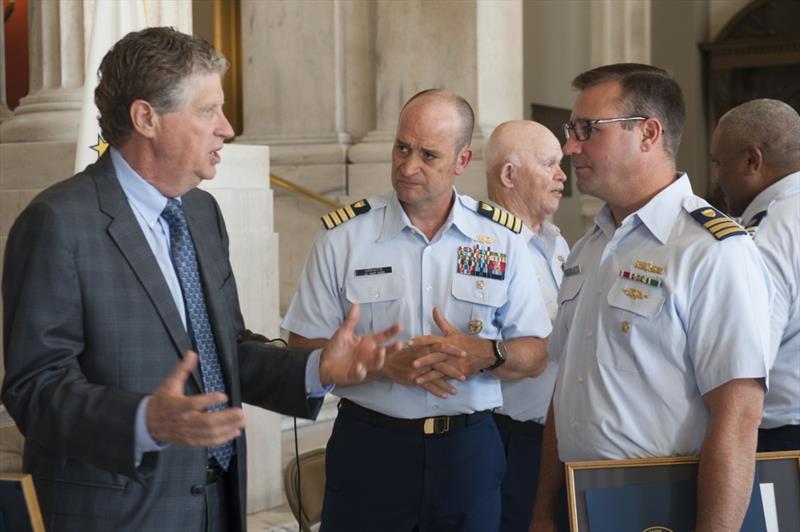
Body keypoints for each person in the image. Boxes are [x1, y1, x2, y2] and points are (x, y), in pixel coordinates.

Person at [1, 27, 398, 532]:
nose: (228, 128)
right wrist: (144, 420)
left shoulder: (202, 212)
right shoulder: (58, 222)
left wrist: (319, 368)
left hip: (217, 507)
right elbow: (35, 387)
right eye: (208, 110)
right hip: (119, 515)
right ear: (146, 118)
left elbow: (225, 350)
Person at [283, 89, 553, 531]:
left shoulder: (502, 239)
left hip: (468, 454)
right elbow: (301, 351)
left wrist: (488, 354)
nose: (409, 167)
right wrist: (385, 364)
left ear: (462, 162)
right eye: (402, 148)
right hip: (370, 449)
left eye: (429, 155)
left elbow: (536, 352)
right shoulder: (345, 236)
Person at [529, 64, 772, 531]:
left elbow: (738, 417)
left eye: (586, 130)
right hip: (578, 501)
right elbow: (567, 387)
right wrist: (545, 507)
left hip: (660, 505)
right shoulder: (590, 246)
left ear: (647, 133)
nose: (570, 146)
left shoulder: (711, 251)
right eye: (570, 129)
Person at [483, 120, 569, 532]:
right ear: (509, 174)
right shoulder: (481, 246)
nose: (561, 174)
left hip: (559, 438)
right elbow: (480, 350)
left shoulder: (557, 242)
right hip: (510, 440)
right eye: (549, 163)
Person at [711, 98, 800, 452]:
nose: (717, 178)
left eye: (719, 163)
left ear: (751, 160)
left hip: (782, 439)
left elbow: (749, 361)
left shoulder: (767, 235)